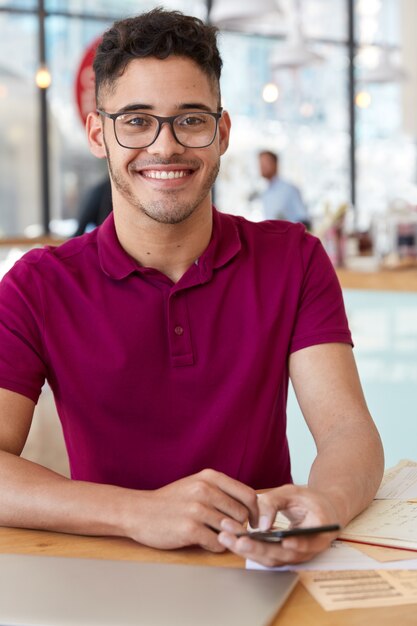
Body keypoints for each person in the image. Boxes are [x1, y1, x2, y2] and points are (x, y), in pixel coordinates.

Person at [0, 9, 383, 568]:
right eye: (136, 120)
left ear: (222, 133)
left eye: (191, 120)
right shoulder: (37, 286)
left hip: (260, 566)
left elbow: (350, 431)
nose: (165, 146)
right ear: (97, 134)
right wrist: (138, 512)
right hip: (108, 569)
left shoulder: (294, 258)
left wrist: (325, 504)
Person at [259, 150, 311, 229]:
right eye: (260, 163)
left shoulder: (289, 189)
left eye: (265, 162)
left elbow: (304, 220)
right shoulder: (265, 194)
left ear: (275, 164)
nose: (262, 166)